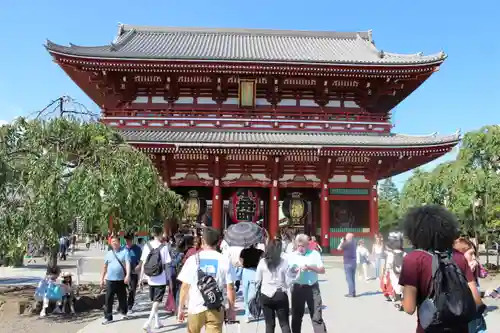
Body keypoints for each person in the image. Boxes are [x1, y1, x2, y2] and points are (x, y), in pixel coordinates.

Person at [398, 205, 485, 333]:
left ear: (414, 232)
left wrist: (402, 301)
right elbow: (477, 301)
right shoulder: (459, 257)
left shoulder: (413, 260)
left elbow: (409, 308)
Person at [177, 227, 236, 333]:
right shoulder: (224, 260)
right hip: (215, 307)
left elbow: (185, 287)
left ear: (202, 241)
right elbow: (230, 288)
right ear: (218, 242)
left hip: (195, 307)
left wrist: (180, 308)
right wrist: (231, 309)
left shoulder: (192, 260)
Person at [288, 234, 327, 333]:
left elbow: (322, 270)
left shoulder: (314, 254)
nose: (300, 248)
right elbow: (287, 272)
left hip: (312, 288)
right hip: (298, 288)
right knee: (296, 317)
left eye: (303, 246)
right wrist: (294, 270)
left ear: (308, 244)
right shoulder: (291, 256)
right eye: (298, 246)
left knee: (316, 317)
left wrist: (310, 267)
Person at [140, 226, 172, 332]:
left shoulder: (147, 245)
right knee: (157, 301)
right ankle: (148, 323)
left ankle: (157, 322)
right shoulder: (164, 247)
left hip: (150, 278)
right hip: (160, 277)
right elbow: (167, 264)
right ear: (160, 234)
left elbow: (143, 263)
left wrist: (141, 278)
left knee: (154, 301)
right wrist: (170, 279)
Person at [256, 239, 291, 333]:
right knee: (284, 323)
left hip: (265, 294)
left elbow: (257, 279)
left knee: (269, 324)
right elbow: (288, 282)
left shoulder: (262, 262)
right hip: (280, 293)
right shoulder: (284, 262)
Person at [100, 235, 131, 324]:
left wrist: (128, 275)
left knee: (122, 298)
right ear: (110, 243)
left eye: (116, 241)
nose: (114, 243)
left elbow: (128, 264)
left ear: (119, 242)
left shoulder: (124, 252)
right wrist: (101, 279)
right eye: (112, 241)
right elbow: (104, 267)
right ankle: (108, 317)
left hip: (121, 279)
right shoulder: (108, 254)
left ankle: (124, 313)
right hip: (110, 280)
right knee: (108, 299)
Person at [239, 243, 264, 322]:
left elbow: (241, 261)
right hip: (254, 272)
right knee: (252, 294)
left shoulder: (243, 251)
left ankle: (246, 314)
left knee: (245, 293)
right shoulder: (259, 251)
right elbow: (263, 259)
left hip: (246, 271)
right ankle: (250, 312)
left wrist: (244, 263)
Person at [380, 232, 405, 309]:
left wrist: (384, 275)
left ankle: (399, 303)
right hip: (403, 275)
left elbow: (388, 266)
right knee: (402, 289)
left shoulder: (391, 254)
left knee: (396, 287)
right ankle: (402, 303)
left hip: (394, 274)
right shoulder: (404, 253)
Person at [124, 232, 142, 314]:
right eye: (127, 240)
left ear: (132, 240)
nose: (128, 241)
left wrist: (139, 266)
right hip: (124, 272)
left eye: (129, 240)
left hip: (134, 272)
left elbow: (142, 259)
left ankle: (129, 306)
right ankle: (123, 305)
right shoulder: (123, 249)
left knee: (132, 289)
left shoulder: (137, 249)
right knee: (124, 289)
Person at [337, 233, 356, 297]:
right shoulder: (354, 243)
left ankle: (351, 293)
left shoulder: (347, 243)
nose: (345, 238)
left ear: (349, 238)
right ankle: (353, 292)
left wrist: (341, 242)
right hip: (354, 262)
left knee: (349, 278)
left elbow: (338, 248)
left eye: (346, 237)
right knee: (352, 278)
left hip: (348, 262)